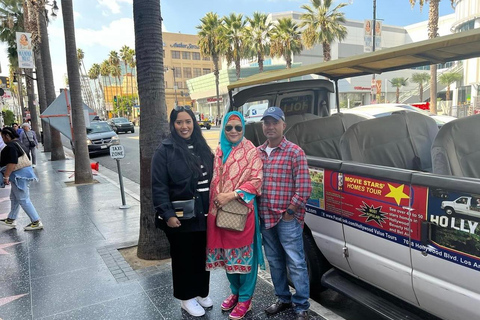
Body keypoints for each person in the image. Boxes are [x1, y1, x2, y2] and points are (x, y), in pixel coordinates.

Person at [151, 106, 214, 317]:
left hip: (203, 214)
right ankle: (186, 298)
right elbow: (158, 186)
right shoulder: (165, 150)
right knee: (183, 257)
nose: (184, 126)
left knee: (201, 255)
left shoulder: (201, 146)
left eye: (188, 121)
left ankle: (201, 292)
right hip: (180, 217)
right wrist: (167, 214)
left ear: (194, 123)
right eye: (179, 122)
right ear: (173, 124)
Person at [206, 112, 264, 320]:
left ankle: (246, 299)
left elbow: (256, 180)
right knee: (228, 256)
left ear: (244, 130)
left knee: (244, 258)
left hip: (242, 212)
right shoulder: (220, 149)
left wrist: (230, 195)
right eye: (229, 127)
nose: (233, 131)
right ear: (223, 129)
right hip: (220, 213)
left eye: (238, 128)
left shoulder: (251, 151)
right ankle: (235, 293)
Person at [257, 107, 312, 320]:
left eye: (274, 122)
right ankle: (282, 298)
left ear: (283, 125)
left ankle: (301, 305)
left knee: (296, 262)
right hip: (265, 217)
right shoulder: (258, 152)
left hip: (286, 218)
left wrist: (290, 212)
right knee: (275, 260)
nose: (270, 127)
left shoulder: (294, 151)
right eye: (266, 123)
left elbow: (305, 188)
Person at [0, 127, 43, 230]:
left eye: (2, 137)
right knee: (14, 197)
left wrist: (6, 176)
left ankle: (36, 221)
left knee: (23, 199)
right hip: (22, 174)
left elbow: (12, 162)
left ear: (6, 136)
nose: (2, 139)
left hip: (19, 176)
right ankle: (11, 219)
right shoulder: (19, 143)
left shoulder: (11, 146)